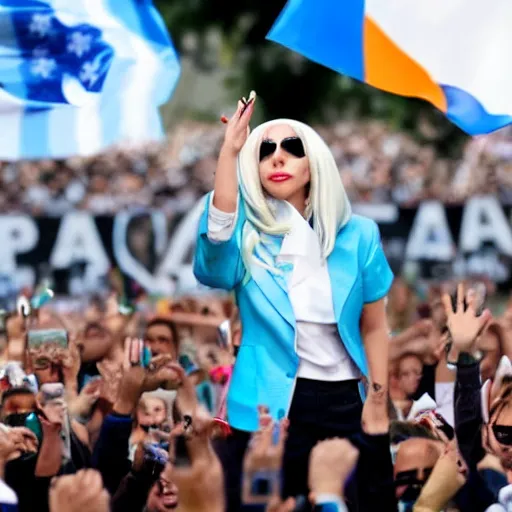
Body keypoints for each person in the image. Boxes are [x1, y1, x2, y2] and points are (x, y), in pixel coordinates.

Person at [193, 92, 395, 510]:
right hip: (267, 408)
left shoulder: (359, 236)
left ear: (313, 162)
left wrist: (378, 398)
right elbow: (214, 264)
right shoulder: (244, 233)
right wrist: (231, 152)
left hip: (345, 402)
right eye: (265, 151)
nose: (277, 157)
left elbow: (374, 326)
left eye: (291, 148)